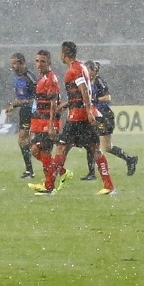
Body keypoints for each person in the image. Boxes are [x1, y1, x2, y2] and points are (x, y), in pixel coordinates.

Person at [42, 41, 113, 195]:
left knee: (62, 148)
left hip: (77, 117)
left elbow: (83, 91)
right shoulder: (81, 67)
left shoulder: (73, 70)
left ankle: (48, 186)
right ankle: (108, 186)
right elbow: (81, 93)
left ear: (64, 54)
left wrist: (87, 110)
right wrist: (70, 105)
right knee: (95, 149)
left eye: (61, 52)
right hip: (83, 114)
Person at [25, 49, 66, 192]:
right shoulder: (42, 78)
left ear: (49, 62)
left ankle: (49, 186)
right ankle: (61, 172)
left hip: (47, 122)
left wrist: (51, 125)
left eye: (42, 61)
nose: (39, 64)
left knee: (44, 151)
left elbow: (53, 103)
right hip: (40, 121)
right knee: (36, 150)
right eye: (37, 61)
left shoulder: (50, 79)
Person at [88, 61, 139, 178]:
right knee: (93, 143)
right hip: (97, 115)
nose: (86, 72)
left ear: (94, 71)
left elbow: (108, 97)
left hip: (104, 115)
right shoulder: (89, 82)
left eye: (88, 70)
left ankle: (129, 159)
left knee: (106, 146)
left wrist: (95, 99)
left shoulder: (99, 81)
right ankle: (92, 172)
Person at [7, 52, 37, 179]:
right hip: (24, 111)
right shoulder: (16, 77)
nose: (12, 66)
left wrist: (23, 102)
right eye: (12, 63)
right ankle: (30, 170)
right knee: (24, 140)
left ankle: (31, 170)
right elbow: (20, 97)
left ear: (22, 63)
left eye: (15, 63)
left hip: (32, 111)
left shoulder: (30, 77)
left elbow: (38, 98)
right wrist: (12, 106)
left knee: (24, 140)